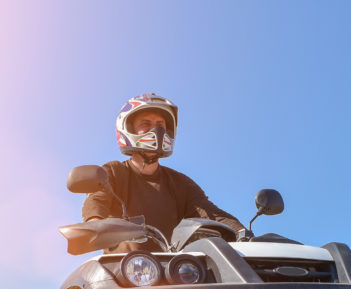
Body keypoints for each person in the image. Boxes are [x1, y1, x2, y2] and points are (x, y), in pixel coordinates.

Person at [82, 93, 245, 243]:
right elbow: (97, 199)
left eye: (161, 124)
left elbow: (212, 214)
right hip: (121, 267)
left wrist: (243, 234)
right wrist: (94, 224)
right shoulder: (114, 172)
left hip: (174, 267)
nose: (156, 130)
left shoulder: (181, 183)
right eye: (146, 123)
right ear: (129, 128)